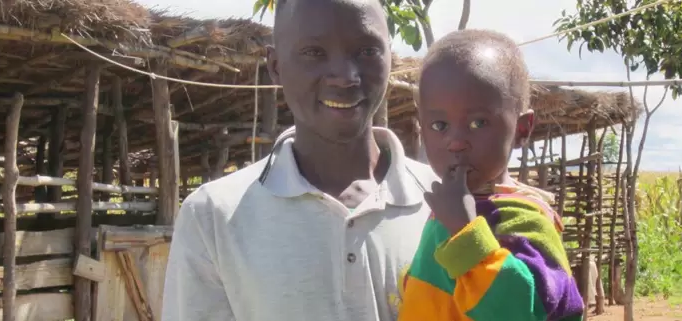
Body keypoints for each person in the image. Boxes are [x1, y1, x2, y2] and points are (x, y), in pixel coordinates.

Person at [161, 0, 438, 320]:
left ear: (390, 56)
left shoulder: (449, 204)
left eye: (366, 51)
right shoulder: (213, 217)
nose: (345, 77)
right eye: (313, 52)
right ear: (275, 65)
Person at [396, 29, 584, 321]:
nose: (455, 141)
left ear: (522, 130)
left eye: (478, 122)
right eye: (439, 125)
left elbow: (522, 311)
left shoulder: (522, 221)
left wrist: (464, 233)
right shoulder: (449, 209)